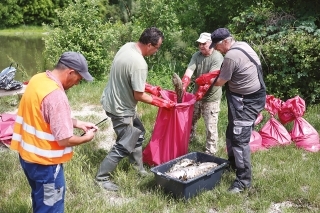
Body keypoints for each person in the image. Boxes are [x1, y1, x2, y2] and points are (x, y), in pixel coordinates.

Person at [10, 51, 98, 212]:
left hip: (28, 158)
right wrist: (87, 138)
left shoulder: (38, 79)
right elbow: (64, 140)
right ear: (70, 72)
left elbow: (43, 116)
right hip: (46, 166)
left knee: (40, 200)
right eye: (78, 79)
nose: (77, 83)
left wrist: (78, 123)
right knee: (51, 207)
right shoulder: (56, 95)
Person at [97, 27, 175, 191]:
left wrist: (151, 88)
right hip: (120, 108)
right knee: (125, 144)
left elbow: (129, 79)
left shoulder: (127, 47)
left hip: (112, 100)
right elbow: (139, 95)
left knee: (138, 132)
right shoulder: (140, 63)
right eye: (157, 47)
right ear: (149, 44)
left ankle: (138, 170)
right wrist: (163, 103)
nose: (156, 51)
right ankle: (101, 178)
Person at [207, 28, 266, 193]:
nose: (216, 49)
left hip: (247, 101)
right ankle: (233, 164)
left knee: (239, 139)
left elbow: (220, 81)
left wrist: (208, 81)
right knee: (231, 132)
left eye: (217, 46)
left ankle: (243, 181)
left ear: (226, 41)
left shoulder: (232, 55)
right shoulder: (242, 45)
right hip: (244, 97)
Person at [181, 32, 224, 155]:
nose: (201, 46)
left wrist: (201, 93)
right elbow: (189, 70)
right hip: (196, 96)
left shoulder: (217, 57)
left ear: (211, 43)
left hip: (211, 98)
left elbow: (211, 79)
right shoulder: (196, 56)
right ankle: (188, 141)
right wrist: (184, 83)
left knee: (210, 126)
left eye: (203, 44)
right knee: (190, 120)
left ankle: (210, 151)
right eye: (199, 44)